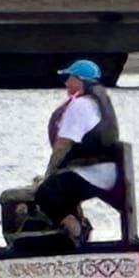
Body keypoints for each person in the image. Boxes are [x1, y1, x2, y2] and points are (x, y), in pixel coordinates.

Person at [36, 58, 121, 245]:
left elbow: (62, 145)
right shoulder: (100, 102)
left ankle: (77, 233)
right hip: (110, 173)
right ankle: (76, 228)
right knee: (64, 189)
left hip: (93, 174)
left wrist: (48, 175)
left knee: (45, 193)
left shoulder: (79, 105)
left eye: (69, 78)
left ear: (80, 80)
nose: (66, 83)